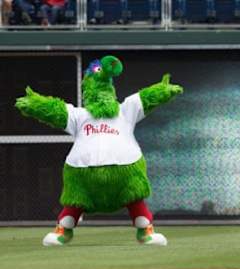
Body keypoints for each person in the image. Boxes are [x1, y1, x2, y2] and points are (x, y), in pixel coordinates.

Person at [15, 56, 183, 246]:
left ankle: (145, 231)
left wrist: (163, 90)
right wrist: (35, 104)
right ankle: (63, 231)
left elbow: (144, 98)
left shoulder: (124, 112)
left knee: (135, 197)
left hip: (124, 175)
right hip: (83, 177)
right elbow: (56, 110)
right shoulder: (79, 116)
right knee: (75, 201)